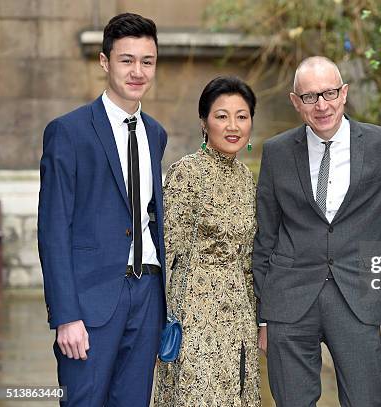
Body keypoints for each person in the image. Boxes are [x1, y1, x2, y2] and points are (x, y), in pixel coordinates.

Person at [253, 56, 381, 407]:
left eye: (330, 93)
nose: (322, 105)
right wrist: (263, 313)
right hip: (288, 303)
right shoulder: (276, 152)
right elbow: (265, 237)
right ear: (295, 101)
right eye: (310, 97)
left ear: (344, 92)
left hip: (356, 298)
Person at [37, 13, 167, 406]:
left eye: (147, 61)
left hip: (146, 298)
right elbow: (53, 229)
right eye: (127, 60)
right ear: (105, 61)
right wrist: (65, 315)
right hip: (89, 304)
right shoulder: (69, 132)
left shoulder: (155, 134)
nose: (137, 71)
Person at [153, 76, 261, 406]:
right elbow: (166, 250)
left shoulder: (246, 178)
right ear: (204, 122)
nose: (233, 126)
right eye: (222, 115)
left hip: (240, 323)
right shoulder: (186, 172)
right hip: (196, 324)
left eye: (242, 116)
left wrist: (256, 320)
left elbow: (247, 258)